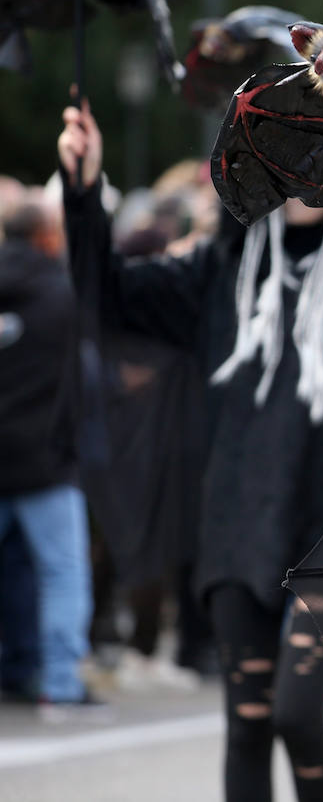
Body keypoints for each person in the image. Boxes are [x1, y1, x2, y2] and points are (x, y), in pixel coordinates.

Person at [57, 103, 323, 802]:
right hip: (238, 525)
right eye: (286, 155)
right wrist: (83, 189)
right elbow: (104, 295)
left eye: (319, 153)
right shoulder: (223, 268)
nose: (303, 172)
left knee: (294, 711)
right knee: (248, 723)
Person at [0, 193, 100, 718]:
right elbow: (79, 381)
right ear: (45, 237)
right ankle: (59, 683)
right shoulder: (61, 294)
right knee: (62, 573)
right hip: (44, 459)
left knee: (18, 572)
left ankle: (16, 668)